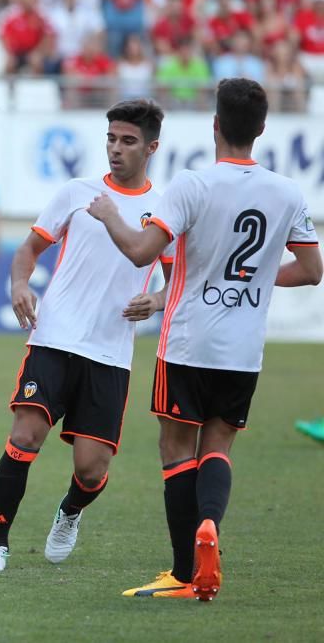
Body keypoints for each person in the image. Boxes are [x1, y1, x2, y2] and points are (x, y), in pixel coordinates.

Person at [86, 78, 322, 599]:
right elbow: (312, 269)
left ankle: (183, 572)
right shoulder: (287, 193)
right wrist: (257, 277)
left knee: (175, 450)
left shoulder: (192, 185)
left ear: (215, 125)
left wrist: (107, 215)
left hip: (188, 342)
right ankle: (210, 524)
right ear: (261, 129)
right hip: (242, 349)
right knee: (218, 446)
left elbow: (143, 253)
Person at [0, 99, 174, 573]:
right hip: (55, 337)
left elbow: (176, 280)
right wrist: (20, 283)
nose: (116, 149)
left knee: (91, 469)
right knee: (25, 435)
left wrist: (158, 301)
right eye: (111, 139)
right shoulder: (75, 192)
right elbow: (29, 248)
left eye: (128, 141)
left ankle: (69, 512)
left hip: (110, 352)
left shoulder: (162, 209)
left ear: (151, 147)